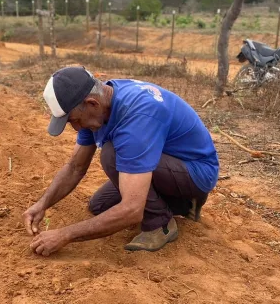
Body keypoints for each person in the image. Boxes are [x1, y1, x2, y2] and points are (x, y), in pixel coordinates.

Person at [23, 66, 219, 256]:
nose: (75, 128)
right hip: (163, 164)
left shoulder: (136, 118)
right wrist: (42, 204)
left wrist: (65, 234)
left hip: (195, 173)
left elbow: (132, 210)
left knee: (111, 154)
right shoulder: (102, 106)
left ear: (92, 103)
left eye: (73, 120)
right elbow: (75, 167)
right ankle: (179, 205)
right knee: (99, 206)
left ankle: (161, 223)